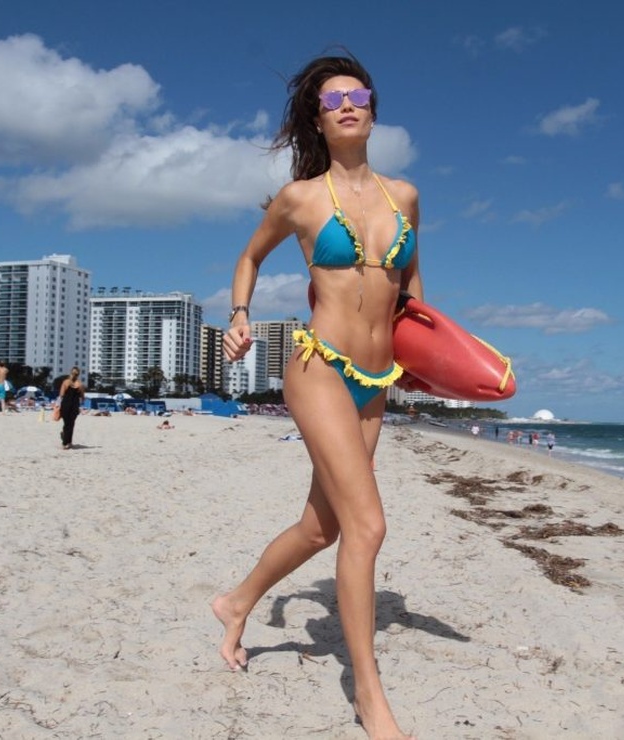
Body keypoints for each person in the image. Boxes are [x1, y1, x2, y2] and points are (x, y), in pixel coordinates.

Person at [213, 53, 420, 740]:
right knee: (368, 527)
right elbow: (249, 256)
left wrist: (429, 360)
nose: (347, 105)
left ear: (373, 109)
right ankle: (369, 695)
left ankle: (236, 601)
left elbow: (412, 291)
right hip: (319, 367)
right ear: (318, 120)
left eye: (358, 94)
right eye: (332, 100)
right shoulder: (300, 198)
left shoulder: (405, 197)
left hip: (377, 380)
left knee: (322, 528)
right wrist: (239, 316)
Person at [57, 366, 85, 450]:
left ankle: (65, 442)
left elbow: (61, 395)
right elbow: (82, 397)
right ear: (78, 374)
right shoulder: (80, 384)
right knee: (71, 424)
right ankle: (68, 442)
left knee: (67, 424)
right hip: (74, 406)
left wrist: (58, 405)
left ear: (70, 373)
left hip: (66, 405)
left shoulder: (65, 382)